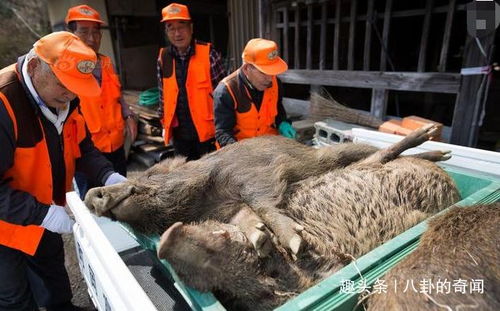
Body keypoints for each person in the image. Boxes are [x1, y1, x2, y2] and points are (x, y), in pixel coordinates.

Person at [0, 31, 127, 311]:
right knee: (14, 297)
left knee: (53, 274)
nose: (69, 93)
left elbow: (82, 147)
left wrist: (108, 175)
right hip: (6, 223)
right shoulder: (4, 103)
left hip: (46, 208)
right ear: (34, 67)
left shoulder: (66, 99)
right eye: (62, 83)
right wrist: (41, 213)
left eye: (76, 86)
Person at [65, 4, 137, 198]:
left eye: (96, 32)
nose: (91, 38)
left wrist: (128, 114)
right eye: (84, 31)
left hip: (116, 145)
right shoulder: (64, 71)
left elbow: (117, 93)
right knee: (93, 203)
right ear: (71, 34)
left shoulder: (106, 62)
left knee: (121, 198)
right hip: (88, 153)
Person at [157, 3, 226, 160]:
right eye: (171, 28)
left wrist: (224, 130)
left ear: (191, 28)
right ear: (166, 32)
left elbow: (223, 96)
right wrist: (163, 123)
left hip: (208, 135)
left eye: (181, 27)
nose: (177, 33)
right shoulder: (163, 57)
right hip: (179, 136)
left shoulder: (209, 54)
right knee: (183, 179)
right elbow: (163, 95)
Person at [213, 38, 296, 148]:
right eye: (264, 73)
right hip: (240, 151)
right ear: (247, 68)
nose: (270, 79)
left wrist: (283, 122)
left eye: (272, 72)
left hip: (269, 147)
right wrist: (241, 154)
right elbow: (223, 132)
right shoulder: (226, 91)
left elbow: (278, 108)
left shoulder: (276, 83)